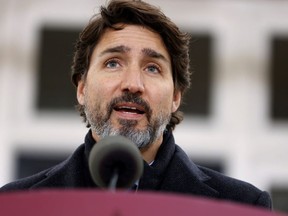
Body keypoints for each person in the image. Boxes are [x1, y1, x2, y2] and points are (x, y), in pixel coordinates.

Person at [1, 0, 272, 209]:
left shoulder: (241, 205)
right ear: (82, 88)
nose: (133, 83)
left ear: (176, 97)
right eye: (113, 62)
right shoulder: (16, 203)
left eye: (152, 68)